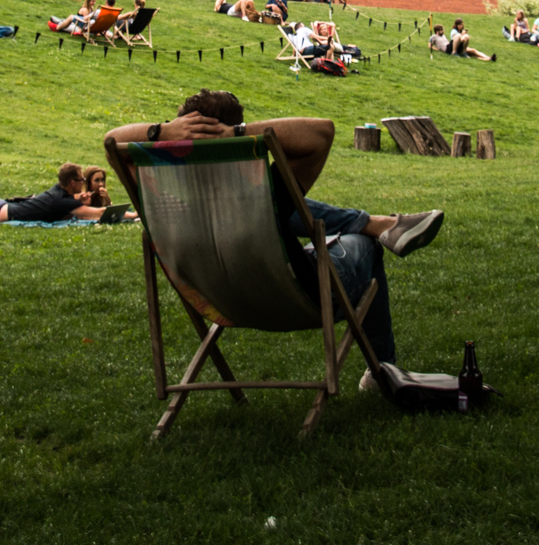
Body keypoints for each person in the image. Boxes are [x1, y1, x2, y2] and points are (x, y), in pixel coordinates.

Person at [107, 90, 446, 373]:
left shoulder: (165, 197)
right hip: (296, 297)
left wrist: (160, 133)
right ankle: (384, 369)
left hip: (214, 301)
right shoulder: (261, 196)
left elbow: (112, 141)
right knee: (365, 246)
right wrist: (237, 135)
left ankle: (377, 223)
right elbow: (322, 131)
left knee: (277, 209)